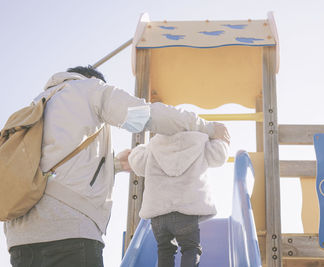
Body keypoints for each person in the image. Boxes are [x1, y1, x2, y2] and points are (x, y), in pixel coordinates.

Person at [3, 66, 230, 267]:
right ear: (92, 79)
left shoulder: (38, 103)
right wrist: (205, 127)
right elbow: (143, 117)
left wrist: (115, 165)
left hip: (20, 239)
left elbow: (47, 167)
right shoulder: (90, 89)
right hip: (70, 231)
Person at [128, 130, 229, 267]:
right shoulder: (199, 141)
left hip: (158, 213)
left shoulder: (155, 144)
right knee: (190, 248)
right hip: (186, 210)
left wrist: (142, 147)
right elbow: (219, 156)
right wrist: (221, 140)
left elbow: (137, 163)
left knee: (165, 250)